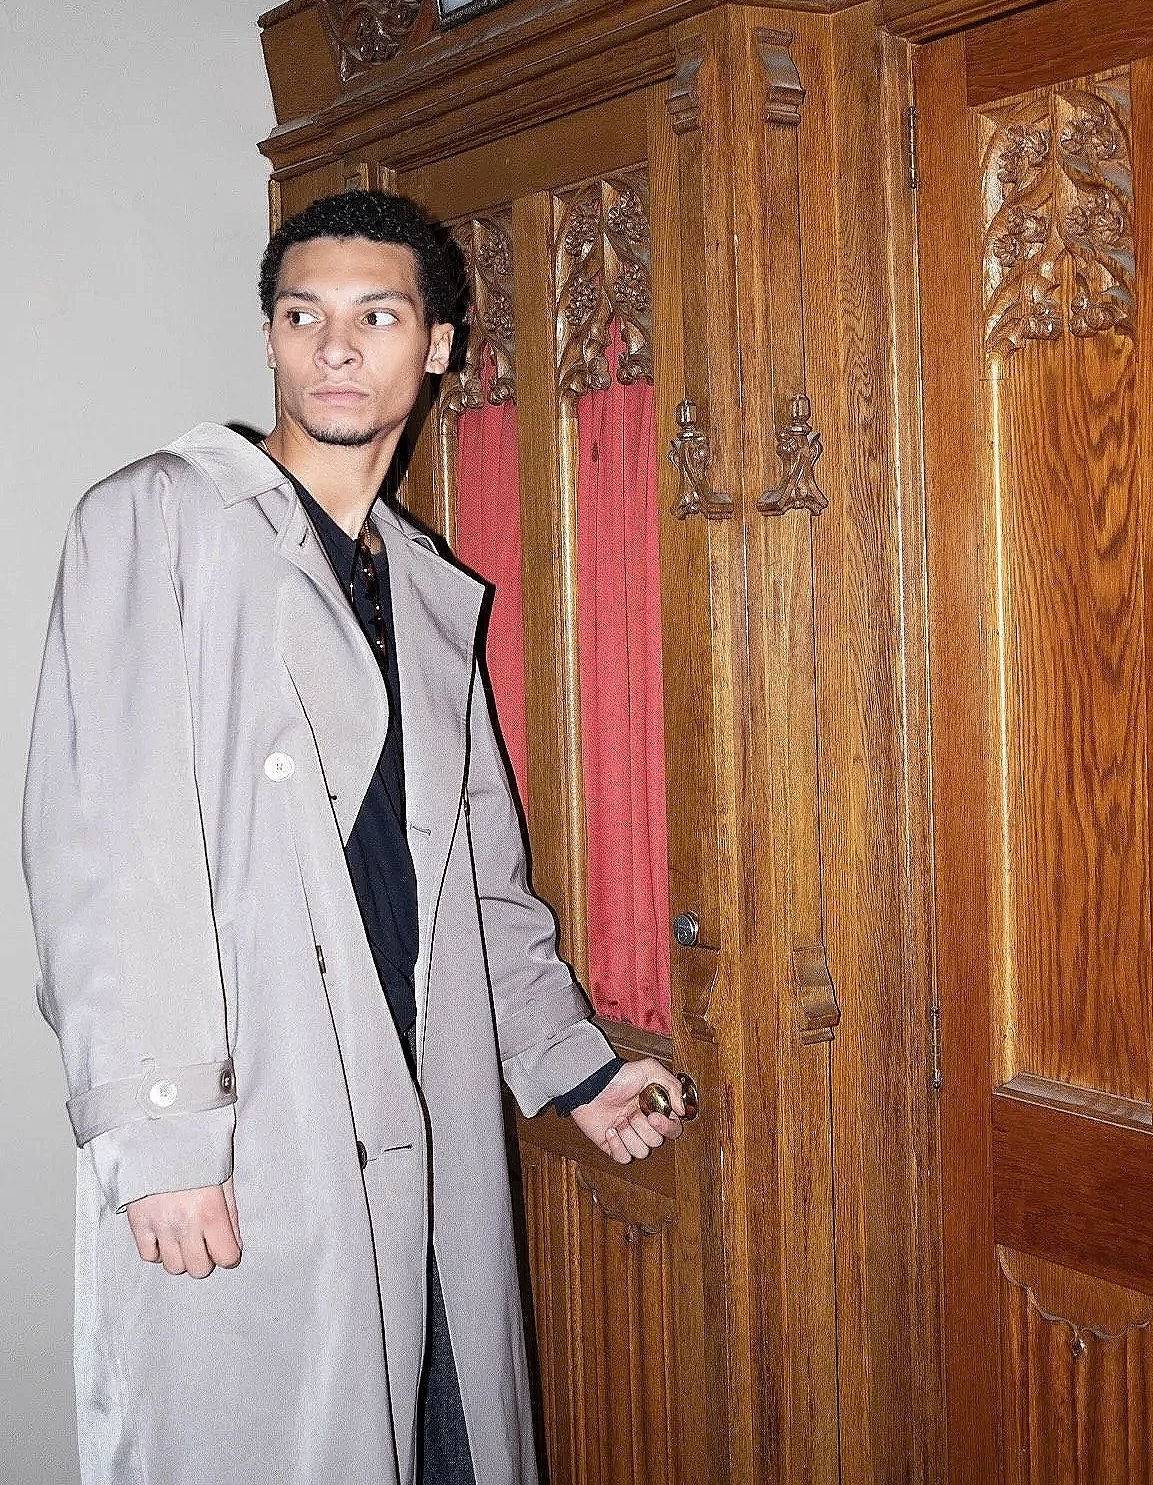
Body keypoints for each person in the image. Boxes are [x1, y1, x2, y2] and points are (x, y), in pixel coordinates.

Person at [23, 191, 688, 1485]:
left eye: (376, 316)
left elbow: (479, 881)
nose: (336, 347)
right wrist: (159, 1139)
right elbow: (103, 858)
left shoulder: (426, 587)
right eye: (302, 316)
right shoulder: (157, 519)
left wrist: (572, 1067)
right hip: (250, 1134)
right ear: (270, 340)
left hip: (420, 1130)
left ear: (434, 346)